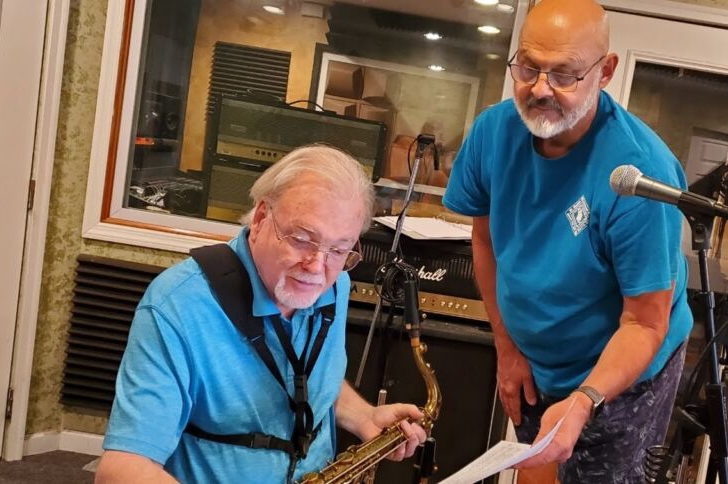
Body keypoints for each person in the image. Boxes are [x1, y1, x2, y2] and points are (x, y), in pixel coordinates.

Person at [442, 0, 693, 482]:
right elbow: (485, 239)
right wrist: (507, 347)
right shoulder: (493, 133)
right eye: (528, 67)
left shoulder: (640, 174)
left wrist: (584, 399)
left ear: (605, 72)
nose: (540, 89)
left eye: (564, 74)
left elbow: (645, 323)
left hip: (626, 370)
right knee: (536, 463)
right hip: (538, 355)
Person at [97, 145, 426, 483]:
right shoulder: (177, 305)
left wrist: (363, 416)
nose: (317, 267)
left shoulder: (335, 285)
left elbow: (305, 378)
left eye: (339, 249)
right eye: (302, 239)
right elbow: (120, 469)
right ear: (260, 218)